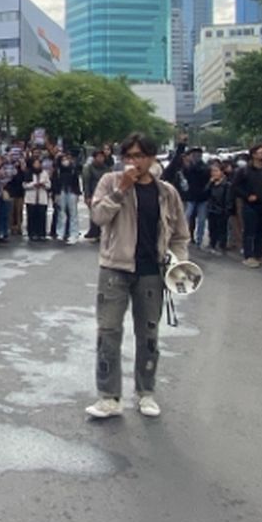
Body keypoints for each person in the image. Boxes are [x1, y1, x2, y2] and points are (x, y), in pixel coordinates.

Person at [85, 132, 189, 419]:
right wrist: (121, 189)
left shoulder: (166, 192)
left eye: (139, 156)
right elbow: (98, 218)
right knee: (107, 333)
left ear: (152, 158)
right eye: (128, 156)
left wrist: (178, 263)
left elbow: (180, 235)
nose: (134, 162)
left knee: (149, 336)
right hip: (114, 269)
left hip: (151, 272)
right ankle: (108, 396)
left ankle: (146, 392)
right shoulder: (109, 182)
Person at [232, 144, 262, 267]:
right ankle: (249, 256)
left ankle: (259, 254)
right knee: (249, 231)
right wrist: (247, 195)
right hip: (251, 205)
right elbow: (235, 186)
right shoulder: (244, 171)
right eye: (260, 152)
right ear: (253, 154)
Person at [81, 150, 111, 242]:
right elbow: (86, 182)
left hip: (104, 194)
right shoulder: (89, 168)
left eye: (102, 157)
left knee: (105, 214)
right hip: (93, 192)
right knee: (94, 214)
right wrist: (87, 196)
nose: (100, 159)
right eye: (98, 157)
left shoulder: (106, 168)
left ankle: (103, 234)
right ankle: (94, 233)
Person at [206, 163, 234, 255]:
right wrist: (210, 183)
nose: (214, 173)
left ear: (222, 172)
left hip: (221, 209)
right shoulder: (212, 184)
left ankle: (221, 246)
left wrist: (227, 210)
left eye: (216, 171)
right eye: (212, 171)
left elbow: (228, 198)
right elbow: (205, 193)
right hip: (212, 209)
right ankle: (212, 244)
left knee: (222, 229)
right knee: (212, 228)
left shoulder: (226, 185)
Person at [23, 161, 51, 241]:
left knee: (42, 216)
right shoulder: (28, 173)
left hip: (42, 198)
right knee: (31, 216)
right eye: (35, 164)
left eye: (38, 164)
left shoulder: (44, 173)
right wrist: (33, 184)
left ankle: (41, 234)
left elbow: (49, 185)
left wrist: (44, 185)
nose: (37, 165)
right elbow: (25, 185)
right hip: (31, 198)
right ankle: (32, 233)